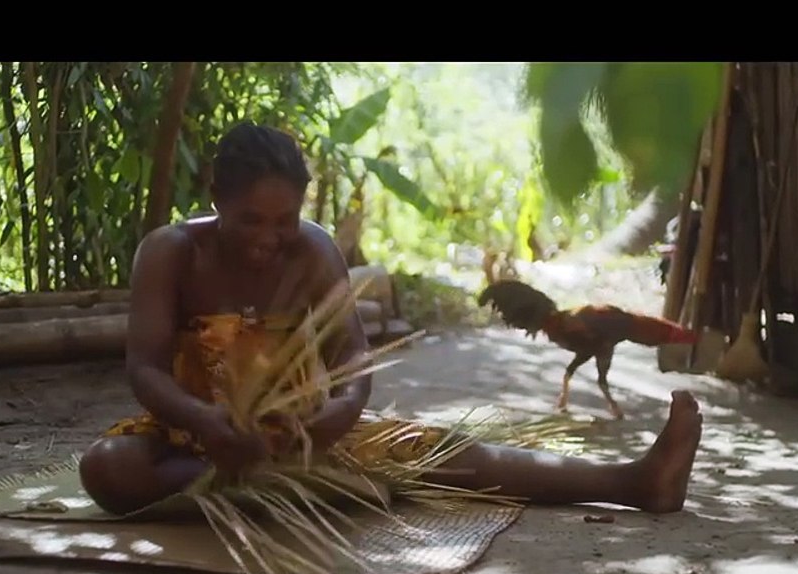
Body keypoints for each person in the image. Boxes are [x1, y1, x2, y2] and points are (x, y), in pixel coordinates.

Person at [79, 122, 703, 517]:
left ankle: (632, 482)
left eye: (284, 220)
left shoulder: (317, 250)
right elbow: (146, 369)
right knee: (109, 469)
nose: (269, 239)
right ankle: (275, 489)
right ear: (216, 199)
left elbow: (353, 370)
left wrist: (326, 427)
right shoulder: (170, 251)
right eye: (250, 220)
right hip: (193, 439)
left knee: (450, 455)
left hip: (302, 442)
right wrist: (204, 422)